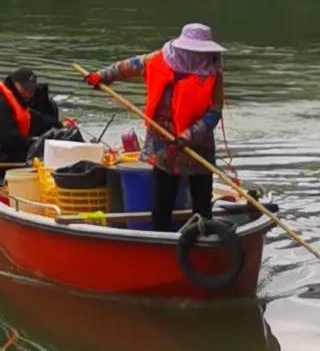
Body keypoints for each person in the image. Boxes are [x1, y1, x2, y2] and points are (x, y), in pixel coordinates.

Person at [85, 21, 225, 226]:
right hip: (164, 140)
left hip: (197, 142)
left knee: (202, 198)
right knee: (163, 197)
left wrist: (190, 135)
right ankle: (161, 238)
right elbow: (126, 67)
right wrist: (102, 76)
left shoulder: (213, 70)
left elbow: (215, 111)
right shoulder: (158, 60)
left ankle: (203, 236)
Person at [0, 63, 69, 172]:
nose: (29, 92)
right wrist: (38, 142)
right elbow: (9, 140)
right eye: (25, 88)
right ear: (14, 82)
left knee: (46, 142)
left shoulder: (17, 98)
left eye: (32, 89)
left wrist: (59, 126)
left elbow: (35, 118)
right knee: (38, 153)